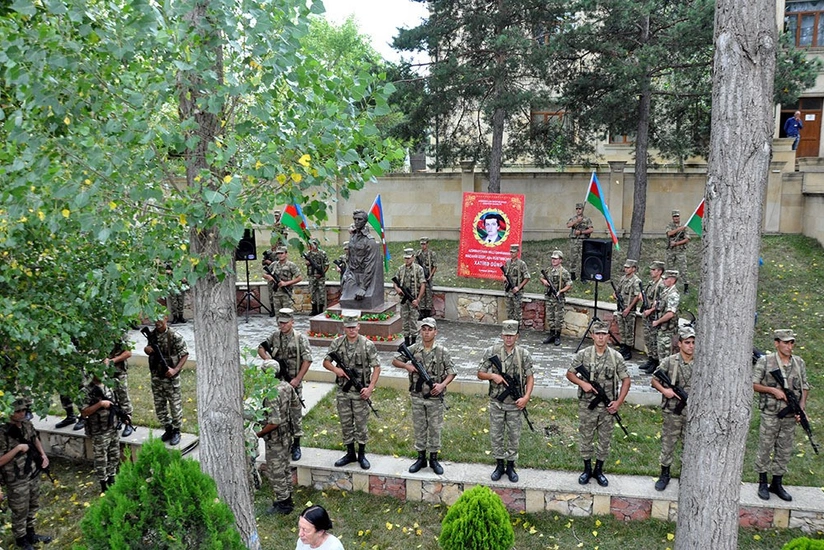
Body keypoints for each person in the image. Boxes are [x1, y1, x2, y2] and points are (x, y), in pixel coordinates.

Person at [566, 320, 630, 488]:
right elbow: (570, 374)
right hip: (587, 405)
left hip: (608, 407)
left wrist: (618, 402)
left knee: (604, 439)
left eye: (604, 334)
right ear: (592, 335)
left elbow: (626, 380)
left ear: (609, 337)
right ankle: (587, 469)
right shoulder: (584, 354)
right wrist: (583, 384)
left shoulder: (616, 357)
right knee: (586, 437)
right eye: (598, 334)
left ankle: (599, 470)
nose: (601, 337)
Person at [391, 317, 456, 475]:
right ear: (420, 331)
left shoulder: (442, 351)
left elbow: (452, 372)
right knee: (419, 427)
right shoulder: (414, 348)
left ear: (435, 332)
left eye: (430, 330)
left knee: (434, 428)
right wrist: (408, 366)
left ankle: (433, 458)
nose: (427, 333)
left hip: (434, 398)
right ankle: (420, 458)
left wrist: (441, 385)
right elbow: (394, 361)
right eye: (424, 330)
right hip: (417, 395)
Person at [753, 329, 810, 502]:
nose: (789, 346)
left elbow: (805, 386)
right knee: (765, 447)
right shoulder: (765, 361)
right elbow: (754, 384)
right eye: (785, 342)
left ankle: (776, 483)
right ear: (776, 343)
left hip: (790, 415)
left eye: (791, 342)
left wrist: (801, 407)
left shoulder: (798, 363)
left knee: (784, 450)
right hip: (771, 413)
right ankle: (762, 482)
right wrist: (772, 390)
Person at [477, 320, 534, 483]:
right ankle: (499, 465)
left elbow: (530, 377)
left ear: (517, 336)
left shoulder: (523, 354)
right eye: (506, 335)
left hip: (515, 404)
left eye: (512, 336)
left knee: (514, 435)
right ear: (502, 335)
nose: (509, 339)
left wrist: (526, 397)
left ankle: (510, 465)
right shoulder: (492, 351)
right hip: (497, 402)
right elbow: (480, 373)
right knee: (496, 434)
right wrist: (493, 376)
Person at [322, 311, 381, 470]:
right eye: (348, 327)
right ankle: (349, 453)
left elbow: (376, 367)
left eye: (354, 327)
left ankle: (361, 454)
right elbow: (326, 362)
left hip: (360, 391)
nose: (351, 330)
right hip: (343, 391)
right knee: (346, 422)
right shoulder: (337, 343)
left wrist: (370, 388)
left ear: (359, 326)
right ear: (344, 328)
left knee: (361, 423)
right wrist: (337, 371)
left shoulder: (367, 345)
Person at [258, 308, 312, 461]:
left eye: (285, 323)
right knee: (278, 412)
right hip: (277, 382)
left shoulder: (300, 338)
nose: (282, 326)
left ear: (292, 322)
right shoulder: (275, 337)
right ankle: (284, 441)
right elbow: (261, 348)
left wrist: (297, 379)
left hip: (293, 382)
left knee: (295, 413)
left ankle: (296, 444)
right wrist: (269, 362)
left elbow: (307, 360)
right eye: (280, 323)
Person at [0, 399, 53, 550]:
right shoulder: (2, 432)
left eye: (23, 410)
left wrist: (43, 455)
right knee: (20, 510)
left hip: (31, 472)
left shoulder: (27, 424)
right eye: (18, 411)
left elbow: (34, 439)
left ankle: (31, 534)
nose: (22, 413)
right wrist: (17, 449)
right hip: (15, 478)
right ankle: (21, 539)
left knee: (33, 504)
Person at [650, 326, 695, 491]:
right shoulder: (670, 361)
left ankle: (686, 475)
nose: (691, 346)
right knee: (668, 442)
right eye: (687, 342)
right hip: (672, 411)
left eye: (693, 343)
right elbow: (654, 379)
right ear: (680, 344)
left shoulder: (701, 363)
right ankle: (665, 473)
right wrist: (665, 390)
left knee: (689, 444)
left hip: (692, 412)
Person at [257, 359, 300, 515]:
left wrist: (258, 434)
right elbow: (296, 407)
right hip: (287, 435)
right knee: (285, 468)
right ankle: (288, 497)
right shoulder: (287, 387)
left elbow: (274, 422)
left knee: (276, 471)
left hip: (275, 438)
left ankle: (284, 504)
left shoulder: (271, 394)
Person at [143, 315, 189, 446]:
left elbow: (184, 354)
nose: (156, 322)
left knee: (175, 406)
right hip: (157, 377)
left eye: (159, 319)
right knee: (160, 405)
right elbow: (148, 349)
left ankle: (176, 431)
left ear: (166, 318)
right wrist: (147, 350)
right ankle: (168, 428)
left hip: (170, 378)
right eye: (155, 319)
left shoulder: (174, 336)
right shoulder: (152, 335)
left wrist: (175, 370)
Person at [80, 375, 121, 493]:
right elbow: (84, 412)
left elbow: (116, 403)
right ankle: (103, 483)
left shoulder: (109, 385)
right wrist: (100, 404)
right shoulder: (86, 391)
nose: (103, 373)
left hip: (112, 428)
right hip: (99, 431)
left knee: (114, 455)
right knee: (101, 458)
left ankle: (112, 478)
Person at [341, 210, 379, 302]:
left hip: (363, 277)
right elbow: (350, 257)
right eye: (355, 219)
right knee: (345, 300)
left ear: (365, 221)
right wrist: (346, 273)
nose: (357, 221)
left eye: (360, 219)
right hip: (352, 275)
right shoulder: (353, 237)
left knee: (356, 300)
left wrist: (363, 287)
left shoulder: (370, 241)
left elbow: (370, 265)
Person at [393, 248, 426, 345]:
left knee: (413, 321)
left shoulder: (418, 269)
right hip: (404, 300)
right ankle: (406, 341)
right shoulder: (401, 269)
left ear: (413, 257)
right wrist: (397, 289)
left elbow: (423, 284)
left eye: (409, 258)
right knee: (404, 320)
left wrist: (418, 299)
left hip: (413, 299)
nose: (407, 260)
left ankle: (414, 342)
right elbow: (395, 282)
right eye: (405, 258)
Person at [540, 249, 572, 346]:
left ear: (560, 260)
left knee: (558, 318)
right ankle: (551, 334)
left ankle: (557, 336)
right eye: (552, 259)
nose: (553, 260)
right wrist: (544, 281)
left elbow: (569, 284)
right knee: (550, 316)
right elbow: (541, 276)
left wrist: (560, 291)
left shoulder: (564, 272)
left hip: (558, 298)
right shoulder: (548, 270)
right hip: (549, 297)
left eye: (556, 259)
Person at [640, 261, 666, 374]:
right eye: (651, 269)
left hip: (654, 315)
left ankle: (655, 361)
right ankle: (650, 359)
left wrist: (650, 310)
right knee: (648, 339)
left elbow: (660, 302)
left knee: (654, 339)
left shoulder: (661, 285)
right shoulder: (651, 283)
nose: (651, 271)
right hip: (647, 315)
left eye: (654, 270)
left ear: (660, 271)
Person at [613, 259, 642, 360]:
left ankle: (628, 350)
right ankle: (623, 347)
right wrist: (615, 295)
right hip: (621, 307)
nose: (626, 269)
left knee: (629, 331)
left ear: (633, 269)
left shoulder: (636, 281)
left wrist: (629, 308)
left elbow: (637, 296)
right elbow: (618, 290)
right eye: (625, 267)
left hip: (629, 310)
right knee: (622, 330)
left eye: (628, 267)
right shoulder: (623, 278)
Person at [106, 337, 134, 437]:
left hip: (119, 371)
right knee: (110, 397)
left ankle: (128, 422)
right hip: (105, 372)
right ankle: (116, 420)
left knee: (123, 397)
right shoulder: (99, 331)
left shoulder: (119, 333)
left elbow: (128, 353)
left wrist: (112, 361)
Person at [651, 270, 681, 362]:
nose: (663, 281)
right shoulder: (666, 291)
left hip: (668, 332)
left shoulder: (673, 294)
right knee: (661, 357)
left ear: (672, 280)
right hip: (663, 330)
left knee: (666, 359)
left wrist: (657, 322)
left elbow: (670, 314)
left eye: (666, 279)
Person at [263, 246, 302, 314]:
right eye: (278, 253)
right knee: (278, 316)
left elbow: (299, 278)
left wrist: (286, 283)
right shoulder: (274, 264)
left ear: (286, 254)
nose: (280, 255)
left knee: (287, 315)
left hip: (286, 294)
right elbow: (264, 274)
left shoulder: (291, 265)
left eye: (282, 253)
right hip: (276, 294)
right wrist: (269, 277)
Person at [502, 244, 530, 324]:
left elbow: (527, 277)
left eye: (513, 252)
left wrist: (519, 287)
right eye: (510, 252)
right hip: (508, 291)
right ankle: (510, 328)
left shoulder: (521, 264)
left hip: (516, 292)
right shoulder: (507, 262)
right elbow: (504, 273)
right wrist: (503, 277)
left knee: (517, 312)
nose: (511, 254)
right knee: (509, 311)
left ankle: (516, 329)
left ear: (518, 252)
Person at [566, 202, 593, 280]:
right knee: (573, 258)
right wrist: (577, 221)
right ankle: (572, 274)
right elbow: (568, 225)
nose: (578, 210)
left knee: (584, 258)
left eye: (580, 209)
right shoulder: (573, 218)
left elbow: (591, 229)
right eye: (577, 209)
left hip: (583, 241)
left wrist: (581, 232)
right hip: (574, 241)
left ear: (582, 209)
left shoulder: (587, 219)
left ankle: (583, 276)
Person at [665, 210, 690, 293]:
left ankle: (686, 287)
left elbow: (687, 239)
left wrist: (676, 243)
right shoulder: (670, 225)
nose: (676, 218)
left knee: (683, 269)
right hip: (671, 251)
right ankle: (669, 286)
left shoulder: (684, 226)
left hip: (680, 251)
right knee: (669, 268)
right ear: (672, 217)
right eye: (674, 216)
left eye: (677, 216)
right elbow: (669, 233)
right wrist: (679, 229)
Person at [305, 238, 330, 315]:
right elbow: (306, 263)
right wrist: (308, 263)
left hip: (320, 277)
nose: (313, 246)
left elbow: (327, 264)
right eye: (311, 244)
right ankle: (314, 309)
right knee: (312, 292)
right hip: (312, 276)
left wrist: (322, 273)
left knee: (321, 293)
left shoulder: (322, 253)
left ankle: (321, 310)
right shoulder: (308, 254)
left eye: (314, 244)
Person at [415, 237, 437, 319]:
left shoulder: (431, 254)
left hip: (428, 276)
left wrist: (430, 275)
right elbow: (416, 265)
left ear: (427, 244)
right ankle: (421, 311)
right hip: (421, 277)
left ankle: (428, 312)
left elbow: (435, 266)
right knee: (421, 293)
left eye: (424, 244)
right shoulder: (418, 253)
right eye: (421, 244)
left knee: (428, 294)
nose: (423, 246)